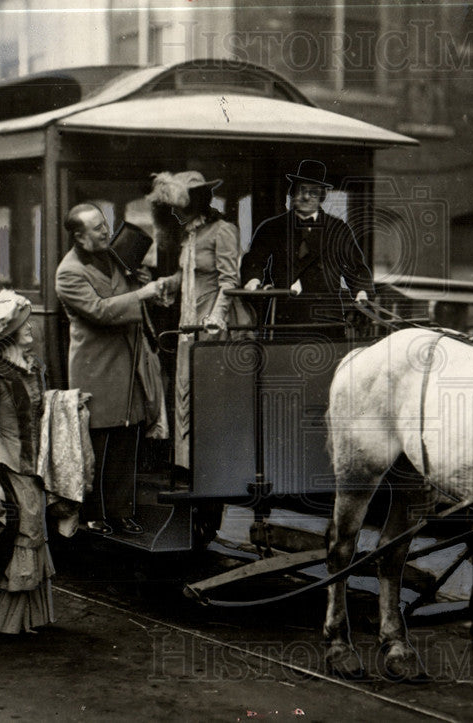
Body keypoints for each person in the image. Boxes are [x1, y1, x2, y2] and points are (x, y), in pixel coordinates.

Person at [55, 203, 166, 536]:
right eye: (97, 228)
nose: (106, 232)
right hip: (98, 370)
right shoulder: (69, 272)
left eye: (105, 224)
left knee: (126, 440)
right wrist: (141, 295)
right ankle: (94, 515)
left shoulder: (113, 257)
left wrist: (142, 284)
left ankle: (120, 512)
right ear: (78, 235)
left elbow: (125, 292)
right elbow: (99, 311)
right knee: (99, 447)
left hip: (127, 363)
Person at [0, 288, 55, 639]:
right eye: (25, 327)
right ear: (11, 334)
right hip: (9, 467)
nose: (30, 331)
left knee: (33, 533)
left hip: (31, 467)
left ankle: (22, 619)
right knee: (19, 533)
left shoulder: (31, 369)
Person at [147, 171, 243, 472]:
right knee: (190, 387)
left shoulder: (222, 230)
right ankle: (190, 463)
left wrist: (215, 317)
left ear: (195, 203)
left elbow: (229, 281)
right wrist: (166, 283)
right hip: (190, 319)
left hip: (213, 323)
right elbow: (188, 274)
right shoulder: (190, 234)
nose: (176, 211)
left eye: (180, 205)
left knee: (211, 393)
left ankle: (215, 464)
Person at [239, 160, 373, 334]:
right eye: (301, 190)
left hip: (326, 319)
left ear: (322, 197)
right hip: (283, 317)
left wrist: (361, 292)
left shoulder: (338, 229)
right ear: (293, 193)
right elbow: (254, 261)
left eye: (313, 192)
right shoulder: (272, 227)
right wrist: (254, 282)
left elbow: (356, 269)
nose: (306, 197)